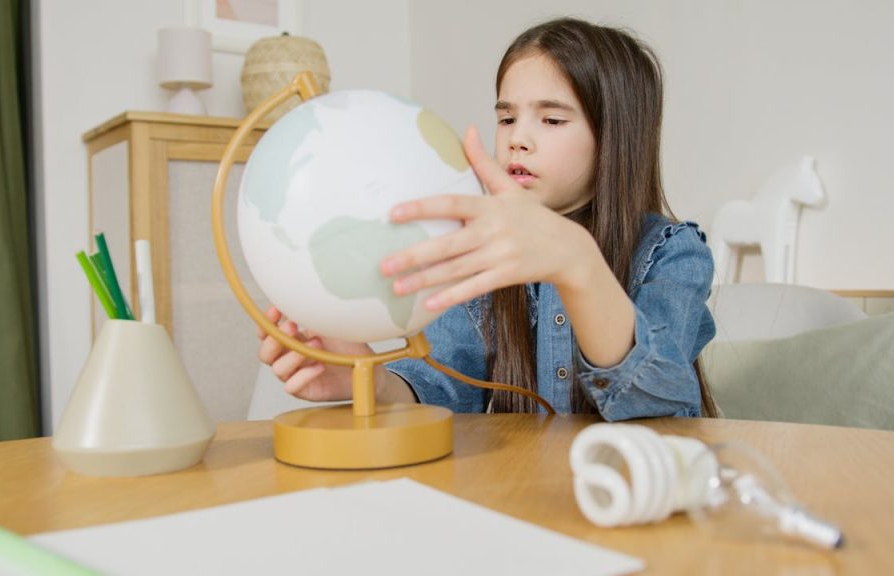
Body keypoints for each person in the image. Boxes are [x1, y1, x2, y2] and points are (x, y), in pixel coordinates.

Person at [257, 17, 718, 420]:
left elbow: (657, 402)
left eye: (552, 121)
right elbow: (443, 386)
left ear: (617, 138)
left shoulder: (673, 252)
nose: (518, 140)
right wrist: (367, 381)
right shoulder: (483, 259)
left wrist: (578, 263)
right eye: (506, 118)